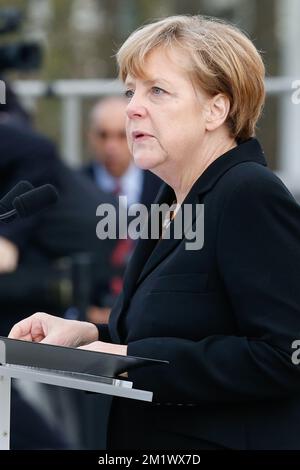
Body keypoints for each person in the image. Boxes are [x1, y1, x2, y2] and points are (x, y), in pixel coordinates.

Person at [9, 15, 300, 450]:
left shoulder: (247, 194)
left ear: (215, 109)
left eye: (157, 91)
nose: (132, 107)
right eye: (130, 91)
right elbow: (169, 330)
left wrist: (126, 359)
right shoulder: (167, 198)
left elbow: (285, 357)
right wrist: (90, 337)